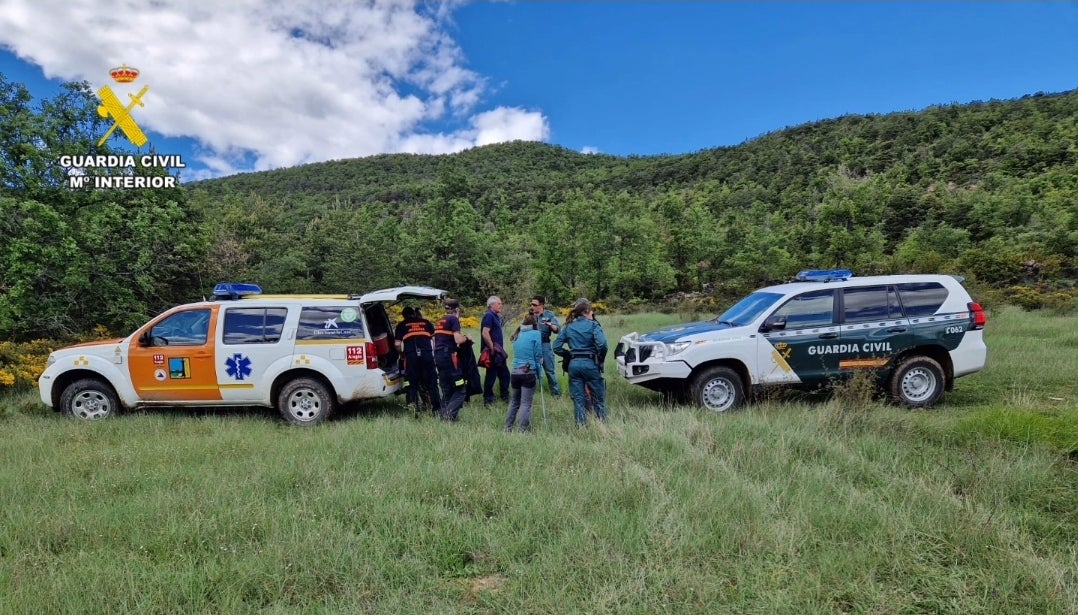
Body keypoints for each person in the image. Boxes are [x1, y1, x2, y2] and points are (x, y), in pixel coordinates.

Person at [553, 298, 608, 427]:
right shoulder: (593, 325)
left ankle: (581, 427)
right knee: (598, 397)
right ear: (587, 311)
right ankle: (602, 426)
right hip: (590, 363)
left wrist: (568, 354)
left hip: (574, 365)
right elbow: (602, 344)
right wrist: (600, 358)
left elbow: (556, 347)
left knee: (578, 399)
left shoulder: (568, 327)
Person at [394, 306, 441, 418]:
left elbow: (397, 344)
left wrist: (401, 354)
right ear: (414, 314)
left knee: (412, 384)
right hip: (427, 355)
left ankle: (414, 411)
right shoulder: (426, 322)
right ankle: (437, 409)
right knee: (432, 383)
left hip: (411, 356)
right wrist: (434, 353)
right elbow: (435, 339)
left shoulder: (401, 325)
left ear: (404, 316)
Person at [433, 299, 472, 422]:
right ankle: (448, 417)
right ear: (457, 309)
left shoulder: (440, 320)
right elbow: (458, 340)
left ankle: (443, 417)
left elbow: (435, 340)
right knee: (460, 390)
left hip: (438, 356)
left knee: (447, 390)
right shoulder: (453, 319)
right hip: (449, 356)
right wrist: (467, 338)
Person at [505, 313, 543, 433]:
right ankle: (523, 430)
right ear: (535, 323)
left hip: (515, 372)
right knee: (526, 403)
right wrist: (539, 374)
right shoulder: (536, 334)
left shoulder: (518, 334)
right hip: (528, 372)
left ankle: (507, 427)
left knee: (514, 402)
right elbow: (538, 356)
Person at [530, 295, 563, 398]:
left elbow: (557, 329)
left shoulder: (549, 314)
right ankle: (532, 394)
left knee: (549, 371)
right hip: (532, 345)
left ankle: (555, 394)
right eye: (532, 304)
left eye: (534, 304)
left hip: (545, 345)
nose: (532, 306)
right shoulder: (530, 315)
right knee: (532, 371)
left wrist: (551, 325)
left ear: (541, 305)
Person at [481, 295, 510, 406]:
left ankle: (505, 397)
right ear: (491, 305)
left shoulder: (495, 316)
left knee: (504, 375)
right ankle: (488, 400)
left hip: (498, 352)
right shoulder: (489, 315)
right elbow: (485, 333)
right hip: (493, 352)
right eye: (499, 303)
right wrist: (492, 347)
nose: (501, 305)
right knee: (492, 375)